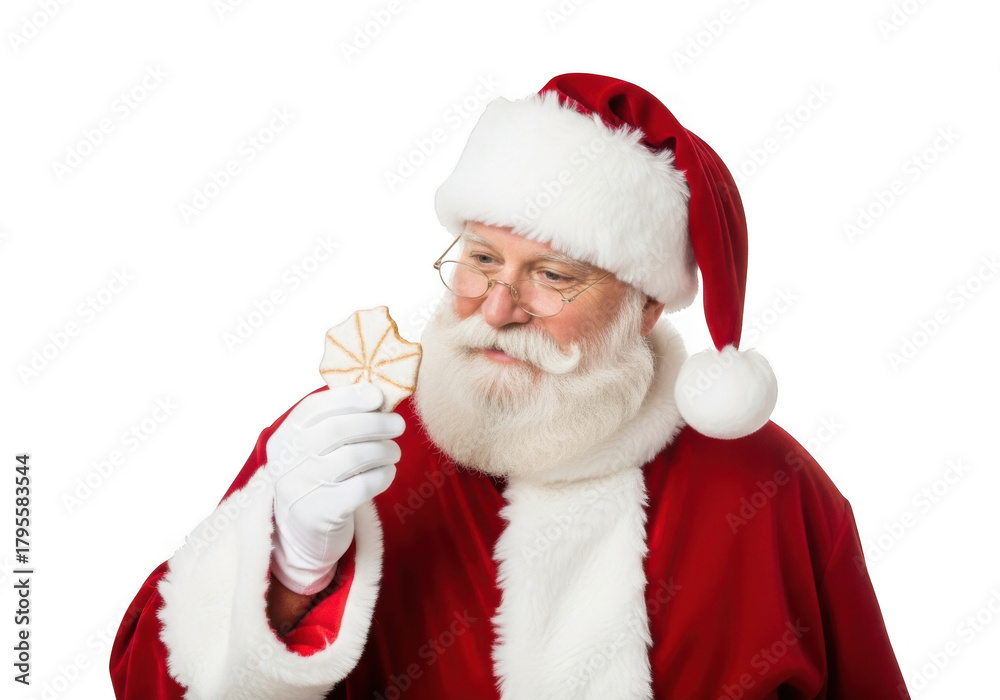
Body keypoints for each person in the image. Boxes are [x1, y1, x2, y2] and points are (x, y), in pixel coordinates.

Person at [110, 73, 910, 699]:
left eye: (554, 277)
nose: (496, 307)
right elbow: (145, 685)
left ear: (643, 307)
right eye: (482, 259)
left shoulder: (771, 490)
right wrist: (287, 572)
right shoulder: (347, 441)